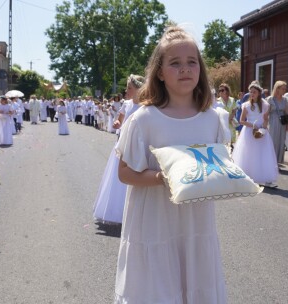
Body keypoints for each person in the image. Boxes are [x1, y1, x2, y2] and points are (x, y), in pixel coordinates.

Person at [114, 26, 228, 303]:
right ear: (160, 73)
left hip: (195, 220)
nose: (185, 69)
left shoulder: (212, 119)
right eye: (175, 63)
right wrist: (162, 176)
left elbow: (219, 164)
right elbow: (124, 172)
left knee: (194, 285)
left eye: (192, 62)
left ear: (200, 69)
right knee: (157, 290)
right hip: (155, 220)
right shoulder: (144, 119)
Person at [93, 74, 145, 225]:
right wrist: (116, 123)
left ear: (138, 90)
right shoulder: (126, 104)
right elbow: (119, 119)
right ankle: (117, 212)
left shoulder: (145, 106)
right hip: (122, 146)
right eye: (127, 87)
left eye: (129, 88)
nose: (126, 90)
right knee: (118, 180)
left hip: (136, 147)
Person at [232, 81, 278, 187]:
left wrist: (264, 128)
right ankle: (246, 176)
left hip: (261, 132)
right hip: (249, 132)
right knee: (249, 154)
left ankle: (266, 178)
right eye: (251, 92)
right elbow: (242, 120)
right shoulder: (246, 105)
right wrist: (253, 125)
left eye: (254, 92)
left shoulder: (265, 105)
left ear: (259, 93)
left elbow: (266, 119)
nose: (252, 94)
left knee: (263, 154)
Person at [267, 80, 288, 163]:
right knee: (273, 141)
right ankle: (270, 161)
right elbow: (266, 113)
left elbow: (287, 113)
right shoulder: (270, 99)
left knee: (281, 142)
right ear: (277, 89)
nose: (284, 90)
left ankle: (277, 161)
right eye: (283, 89)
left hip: (282, 122)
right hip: (272, 122)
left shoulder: (285, 100)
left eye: (285, 89)